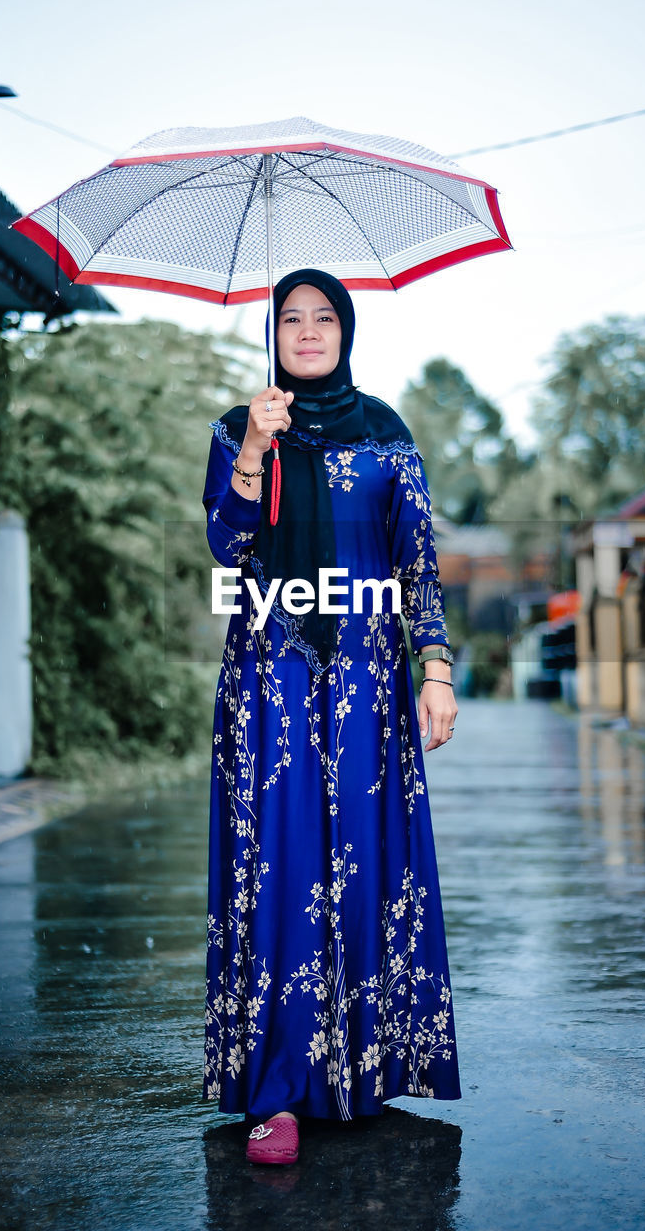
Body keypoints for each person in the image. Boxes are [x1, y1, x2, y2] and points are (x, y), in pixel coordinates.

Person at [202, 268, 460, 1166]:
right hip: (268, 686)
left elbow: (417, 563)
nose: (307, 332)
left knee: (362, 862)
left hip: (365, 686)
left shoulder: (386, 433)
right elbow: (227, 551)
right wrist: (250, 455)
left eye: (323, 318)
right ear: (271, 334)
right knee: (277, 871)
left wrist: (434, 668)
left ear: (345, 331)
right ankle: (274, 1093)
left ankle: (361, 1070)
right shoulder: (244, 427)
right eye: (289, 319)